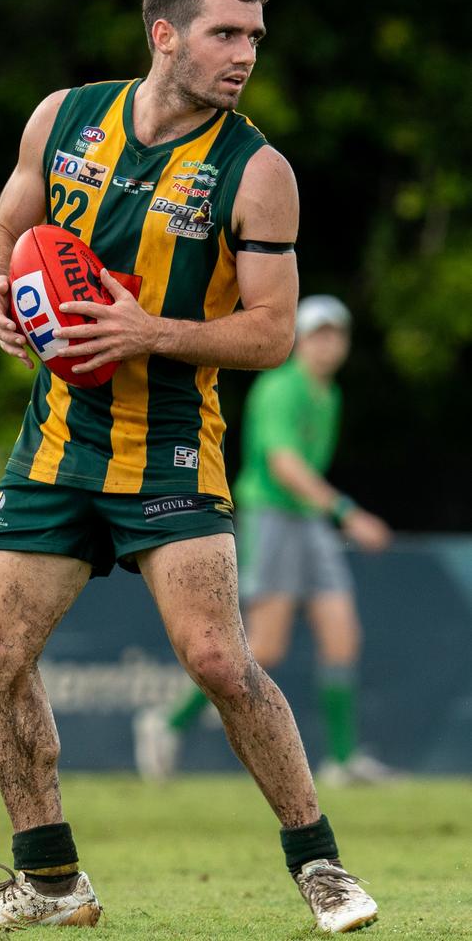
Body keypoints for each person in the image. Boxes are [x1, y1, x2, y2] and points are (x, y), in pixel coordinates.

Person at [0, 0, 378, 934]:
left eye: (253, 38)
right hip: (55, 440)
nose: (243, 55)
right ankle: (51, 882)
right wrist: (1, 298)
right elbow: (5, 238)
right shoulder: (62, 120)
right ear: (163, 34)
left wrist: (153, 333)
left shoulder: (255, 173)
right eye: (224, 33)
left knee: (219, 658)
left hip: (170, 445)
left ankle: (319, 865)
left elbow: (269, 330)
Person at [135, 295, 395, 787]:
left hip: (309, 522)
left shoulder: (328, 394)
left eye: (335, 334)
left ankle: (342, 759)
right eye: (318, 334)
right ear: (299, 339)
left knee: (342, 636)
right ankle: (166, 724)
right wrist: (347, 513)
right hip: (274, 517)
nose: (328, 344)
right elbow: (283, 464)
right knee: (265, 646)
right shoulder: (281, 387)